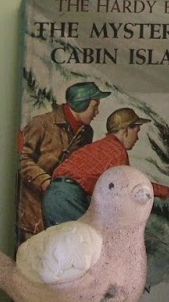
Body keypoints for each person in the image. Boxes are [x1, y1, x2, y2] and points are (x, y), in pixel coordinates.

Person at [42, 105, 169, 226]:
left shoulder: (98, 146)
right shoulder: (117, 151)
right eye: (136, 131)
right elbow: (131, 187)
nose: (137, 137)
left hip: (51, 196)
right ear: (126, 130)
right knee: (97, 248)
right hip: (68, 199)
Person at [16, 80, 105, 242]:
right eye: (95, 106)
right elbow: (20, 158)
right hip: (33, 212)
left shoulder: (86, 132)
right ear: (81, 104)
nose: (97, 112)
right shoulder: (40, 124)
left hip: (62, 209)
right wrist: (44, 181)